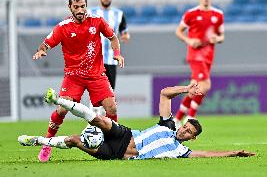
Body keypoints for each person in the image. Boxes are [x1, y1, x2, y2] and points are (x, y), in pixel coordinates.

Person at [18, 84, 254, 160]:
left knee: (73, 140)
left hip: (118, 154)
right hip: (125, 135)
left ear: (192, 137)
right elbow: (164, 93)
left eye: (188, 131)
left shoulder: (182, 151)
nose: (183, 131)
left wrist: (233, 153)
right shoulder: (167, 125)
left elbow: (205, 155)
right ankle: (57, 99)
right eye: (185, 126)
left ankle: (36, 141)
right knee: (99, 119)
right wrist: (185, 90)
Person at [32, 0, 124, 162]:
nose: (80, 10)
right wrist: (42, 51)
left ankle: (114, 143)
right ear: (70, 7)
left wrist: (117, 53)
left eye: (83, 6)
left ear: (86, 5)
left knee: (111, 107)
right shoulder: (63, 27)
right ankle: (47, 144)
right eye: (76, 7)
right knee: (61, 110)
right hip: (73, 76)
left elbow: (113, 38)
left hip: (96, 74)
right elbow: (45, 44)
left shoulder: (97, 21)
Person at [174, 0, 224, 128]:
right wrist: (189, 40)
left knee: (194, 88)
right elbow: (178, 31)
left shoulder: (218, 15)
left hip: (208, 56)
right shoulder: (191, 13)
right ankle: (190, 118)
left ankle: (177, 120)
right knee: (206, 85)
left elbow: (221, 36)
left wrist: (217, 39)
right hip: (195, 55)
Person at [88, 0, 130, 90]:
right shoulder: (90, 13)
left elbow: (124, 31)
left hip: (112, 59)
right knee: (96, 92)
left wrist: (126, 36)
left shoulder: (118, 14)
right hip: (95, 59)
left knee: (110, 92)